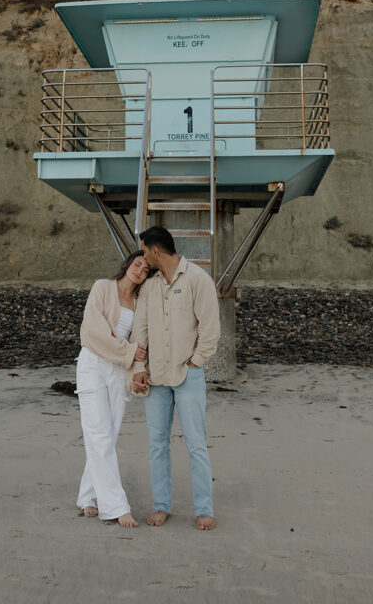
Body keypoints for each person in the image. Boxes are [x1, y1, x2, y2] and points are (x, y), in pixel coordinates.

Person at [131, 226, 221, 531]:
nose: (142, 257)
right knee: (157, 444)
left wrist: (196, 363)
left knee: (196, 443)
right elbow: (140, 329)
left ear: (156, 251)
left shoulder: (198, 279)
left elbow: (210, 328)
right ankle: (161, 505)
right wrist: (138, 369)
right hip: (155, 378)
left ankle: (204, 509)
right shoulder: (149, 286)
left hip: (188, 375)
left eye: (144, 251)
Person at [76, 249, 150, 527]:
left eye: (145, 270)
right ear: (128, 263)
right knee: (98, 434)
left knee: (108, 434)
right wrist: (129, 352)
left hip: (119, 369)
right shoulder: (102, 288)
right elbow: (93, 333)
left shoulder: (139, 302)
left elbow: (140, 343)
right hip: (94, 362)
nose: (139, 270)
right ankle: (116, 506)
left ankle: (87, 496)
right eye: (137, 264)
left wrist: (136, 370)